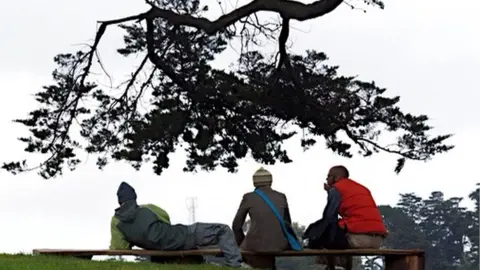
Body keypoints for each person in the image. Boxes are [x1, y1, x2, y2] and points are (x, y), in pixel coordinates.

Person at [109, 182, 250, 268]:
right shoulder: (148, 208)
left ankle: (216, 263)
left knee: (201, 255)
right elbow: (166, 219)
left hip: (160, 250)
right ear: (134, 197)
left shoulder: (116, 222)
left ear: (119, 201)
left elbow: (120, 247)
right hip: (185, 235)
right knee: (222, 230)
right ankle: (236, 265)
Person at [303, 165, 388, 269]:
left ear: (336, 177)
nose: (327, 179)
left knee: (326, 232)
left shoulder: (336, 189)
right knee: (339, 229)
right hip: (377, 241)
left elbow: (329, 217)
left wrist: (331, 193)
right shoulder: (362, 188)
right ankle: (344, 267)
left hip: (359, 239)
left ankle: (333, 267)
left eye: (328, 176)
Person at [232, 167, 298, 270]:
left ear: (254, 182)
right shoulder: (281, 196)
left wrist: (241, 242)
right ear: (271, 181)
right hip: (280, 244)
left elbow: (236, 225)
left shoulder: (248, 197)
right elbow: (287, 223)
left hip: (255, 245)